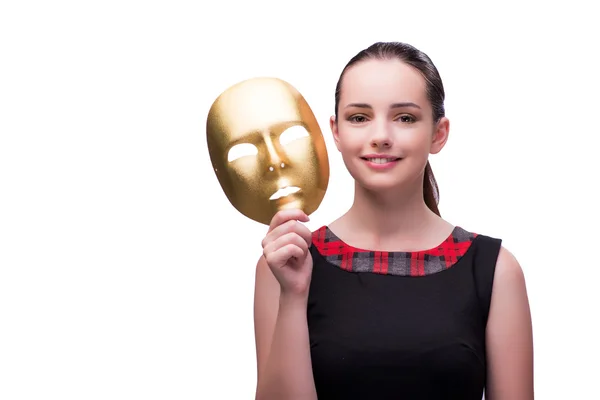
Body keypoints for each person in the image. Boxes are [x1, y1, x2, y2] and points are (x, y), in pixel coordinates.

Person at [253, 41, 534, 400]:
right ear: (335, 132)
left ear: (438, 133)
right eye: (359, 118)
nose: (381, 137)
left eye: (405, 118)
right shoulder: (284, 261)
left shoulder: (495, 270)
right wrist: (293, 296)